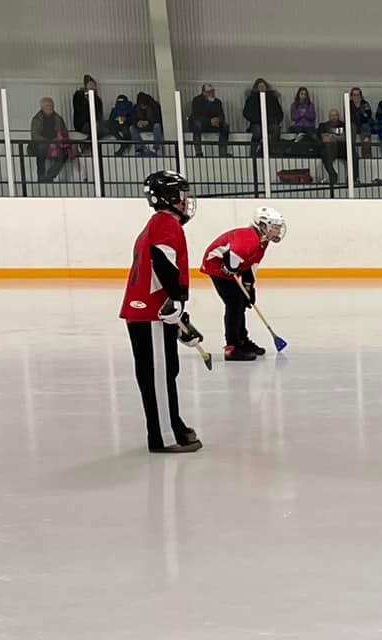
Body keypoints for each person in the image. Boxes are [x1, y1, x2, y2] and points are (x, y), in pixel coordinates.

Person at [121, 170, 206, 453]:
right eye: (182, 194)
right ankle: (164, 436)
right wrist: (177, 299)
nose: (186, 200)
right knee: (157, 375)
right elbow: (163, 262)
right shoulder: (166, 224)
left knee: (165, 371)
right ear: (170, 197)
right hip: (151, 313)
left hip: (151, 312)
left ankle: (173, 423)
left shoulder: (157, 224)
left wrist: (181, 314)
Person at [200, 207, 286, 361]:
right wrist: (231, 268)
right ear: (262, 225)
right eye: (275, 227)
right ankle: (232, 347)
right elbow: (233, 255)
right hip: (216, 266)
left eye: (279, 227)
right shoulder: (250, 237)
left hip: (230, 266)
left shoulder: (262, 241)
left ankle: (242, 340)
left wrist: (249, 286)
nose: (278, 231)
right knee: (234, 303)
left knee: (240, 301)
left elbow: (251, 264)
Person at [30, 98, 73, 183]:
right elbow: (35, 135)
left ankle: (50, 175)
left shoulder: (58, 118)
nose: (50, 108)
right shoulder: (36, 119)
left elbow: (64, 133)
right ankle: (41, 176)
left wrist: (57, 140)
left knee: (65, 153)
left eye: (52, 105)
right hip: (42, 143)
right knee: (41, 149)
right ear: (42, 107)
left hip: (56, 143)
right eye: (48, 106)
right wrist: (49, 142)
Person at [243, 78, 283, 157]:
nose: (262, 88)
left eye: (263, 86)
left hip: (270, 123)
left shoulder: (272, 98)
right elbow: (246, 113)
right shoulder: (251, 99)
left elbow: (279, 113)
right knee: (257, 132)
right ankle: (253, 153)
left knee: (276, 129)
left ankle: (272, 151)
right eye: (260, 86)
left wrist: (275, 120)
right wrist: (255, 119)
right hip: (256, 123)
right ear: (256, 88)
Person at [189, 84, 230, 157]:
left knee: (225, 126)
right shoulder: (197, 101)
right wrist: (209, 121)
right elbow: (196, 115)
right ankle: (198, 153)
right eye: (209, 92)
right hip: (202, 123)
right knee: (196, 124)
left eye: (213, 91)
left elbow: (221, 115)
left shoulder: (217, 102)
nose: (212, 94)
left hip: (213, 124)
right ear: (204, 92)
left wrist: (218, 120)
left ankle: (223, 153)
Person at [317, 109, 350, 184]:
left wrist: (333, 137)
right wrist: (337, 137)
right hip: (329, 148)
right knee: (324, 153)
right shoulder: (323, 125)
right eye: (332, 115)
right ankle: (333, 175)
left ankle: (352, 179)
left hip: (342, 148)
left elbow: (345, 138)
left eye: (335, 115)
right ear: (329, 117)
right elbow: (325, 139)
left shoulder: (343, 125)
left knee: (353, 155)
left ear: (338, 116)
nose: (334, 117)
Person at [131, 92, 164, 157]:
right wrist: (137, 122)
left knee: (157, 126)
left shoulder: (155, 106)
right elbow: (132, 119)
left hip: (152, 125)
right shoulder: (135, 108)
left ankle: (157, 149)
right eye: (141, 105)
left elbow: (159, 119)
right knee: (131, 128)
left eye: (144, 105)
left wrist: (148, 122)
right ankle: (139, 149)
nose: (143, 107)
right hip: (141, 126)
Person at [347, 87, 375, 158]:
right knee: (351, 128)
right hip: (353, 124)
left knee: (366, 128)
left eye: (358, 94)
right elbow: (348, 116)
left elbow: (368, 115)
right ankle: (352, 153)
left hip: (363, 123)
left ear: (361, 95)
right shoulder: (349, 104)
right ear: (351, 96)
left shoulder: (365, 103)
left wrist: (362, 111)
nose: (356, 96)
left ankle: (367, 154)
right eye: (354, 95)